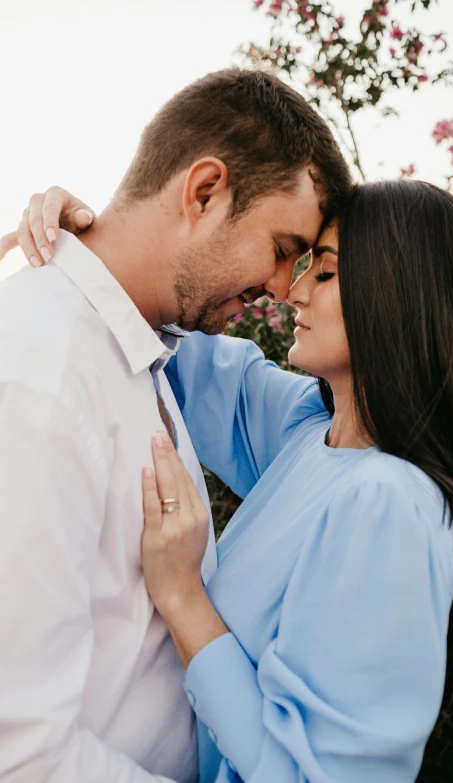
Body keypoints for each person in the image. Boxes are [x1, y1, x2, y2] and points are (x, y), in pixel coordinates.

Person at [9, 179, 453, 783]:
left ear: (397, 294)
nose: (292, 292)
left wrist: (184, 599)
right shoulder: (309, 432)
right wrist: (89, 238)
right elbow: (157, 315)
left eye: (323, 274)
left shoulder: (388, 503)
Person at [0, 68, 349, 783]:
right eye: (284, 249)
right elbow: (21, 747)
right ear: (205, 191)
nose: (284, 289)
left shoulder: (147, 352)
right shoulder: (43, 378)